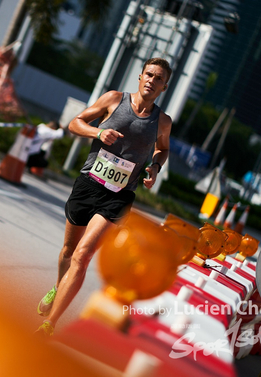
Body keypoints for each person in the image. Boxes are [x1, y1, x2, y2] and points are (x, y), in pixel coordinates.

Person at [35, 57, 173, 336]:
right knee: (69, 251)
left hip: (120, 196)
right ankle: (57, 286)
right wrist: (97, 131)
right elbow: (75, 123)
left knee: (83, 255)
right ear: (140, 76)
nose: (152, 80)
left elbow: (163, 149)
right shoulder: (114, 99)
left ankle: (50, 324)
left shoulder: (163, 121)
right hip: (89, 183)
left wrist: (154, 167)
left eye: (158, 78)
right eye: (149, 74)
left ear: (164, 86)